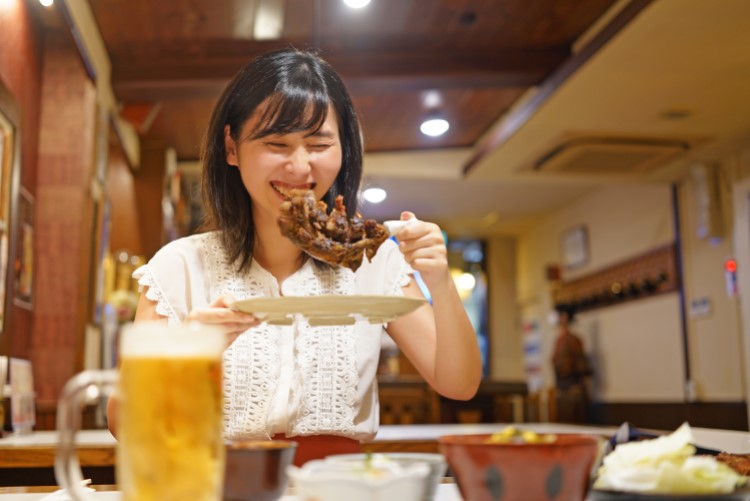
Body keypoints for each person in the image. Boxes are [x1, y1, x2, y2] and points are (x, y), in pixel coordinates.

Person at [106, 47, 482, 465]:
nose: (300, 167)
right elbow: (125, 425)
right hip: (220, 484)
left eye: (319, 143)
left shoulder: (372, 261)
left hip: (340, 487)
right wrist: (186, 352)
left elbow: (459, 384)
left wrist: (441, 282)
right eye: (277, 143)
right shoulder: (179, 266)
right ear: (231, 147)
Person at [551, 305, 592, 423]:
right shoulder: (559, 339)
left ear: (564, 317)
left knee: (574, 421)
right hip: (561, 388)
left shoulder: (573, 340)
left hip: (573, 390)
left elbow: (581, 366)